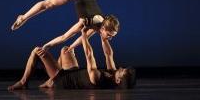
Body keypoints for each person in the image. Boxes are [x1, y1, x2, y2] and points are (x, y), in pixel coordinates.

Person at [8, 28, 136, 90]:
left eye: (122, 71)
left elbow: (89, 54)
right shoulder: (113, 73)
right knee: (65, 50)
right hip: (73, 71)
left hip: (63, 79)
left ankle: (24, 82)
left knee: (36, 50)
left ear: (118, 80)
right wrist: (103, 38)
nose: (121, 68)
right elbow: (109, 54)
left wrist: (84, 34)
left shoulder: (98, 78)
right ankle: (49, 81)